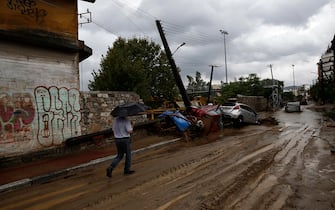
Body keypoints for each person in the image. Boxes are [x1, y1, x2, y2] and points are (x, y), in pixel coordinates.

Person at [106, 109, 135, 178]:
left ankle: (111, 167)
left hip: (117, 139)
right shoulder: (126, 120)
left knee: (120, 155)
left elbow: (113, 129)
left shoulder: (115, 120)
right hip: (125, 139)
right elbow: (130, 131)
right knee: (128, 155)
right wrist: (132, 125)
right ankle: (127, 170)